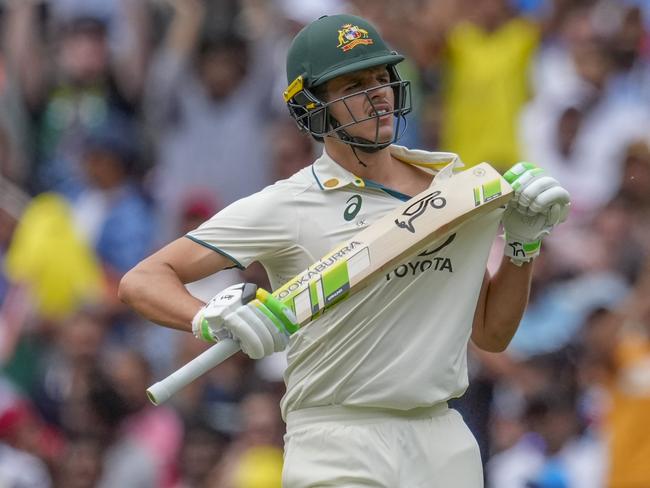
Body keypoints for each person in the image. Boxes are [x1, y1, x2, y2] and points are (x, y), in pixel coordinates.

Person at [119, 14, 570, 487]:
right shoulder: (287, 204)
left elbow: (491, 335)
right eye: (353, 84)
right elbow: (143, 280)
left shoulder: (452, 190)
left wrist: (522, 244)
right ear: (313, 106)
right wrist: (209, 317)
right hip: (337, 439)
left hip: (442, 438)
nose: (377, 94)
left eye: (382, 78)